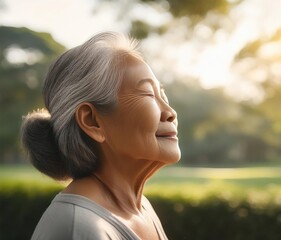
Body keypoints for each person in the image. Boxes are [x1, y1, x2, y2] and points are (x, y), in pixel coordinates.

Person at [21, 31, 181, 240]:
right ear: (92, 121)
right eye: (149, 94)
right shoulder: (77, 227)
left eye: (163, 94)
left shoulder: (141, 209)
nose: (170, 113)